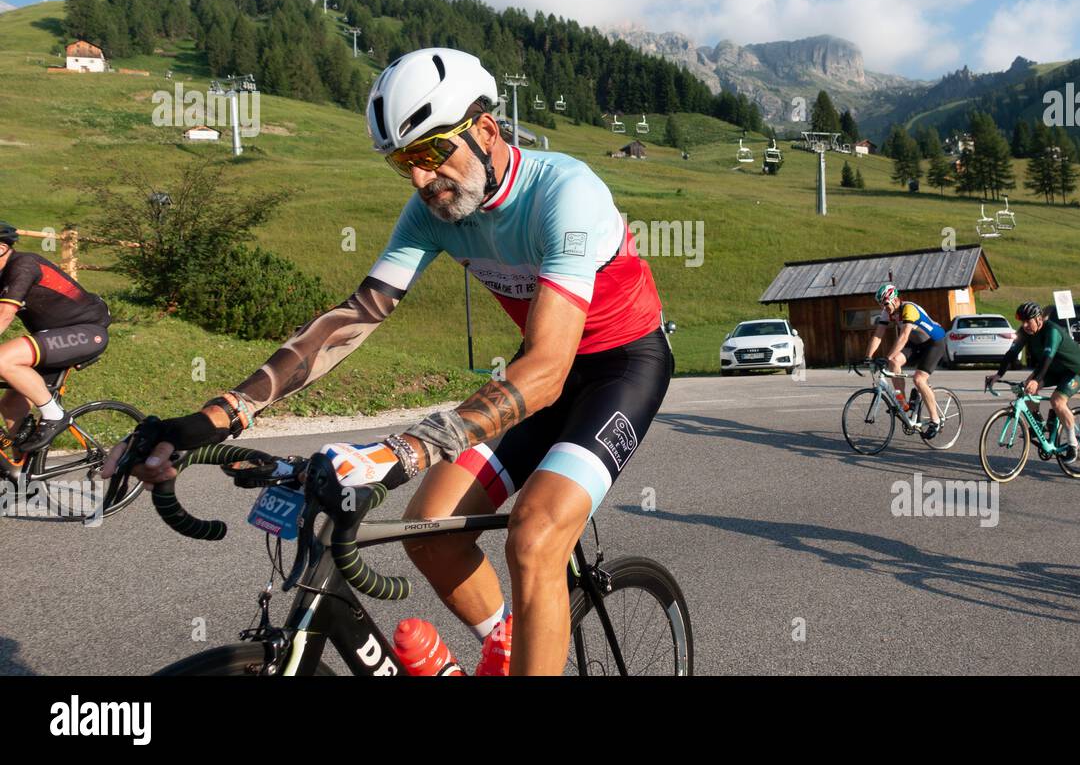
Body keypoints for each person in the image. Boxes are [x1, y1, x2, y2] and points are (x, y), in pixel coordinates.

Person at [104, 47, 672, 675]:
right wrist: (220, 414)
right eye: (404, 163)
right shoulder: (435, 213)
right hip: (535, 375)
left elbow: (548, 370)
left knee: (535, 538)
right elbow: (354, 319)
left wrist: (412, 447)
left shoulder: (564, 193)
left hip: (620, 367)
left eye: (430, 154)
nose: (421, 181)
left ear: (485, 130)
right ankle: (507, 640)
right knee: (430, 527)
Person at [0, 222, 112, 467]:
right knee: (10, 405)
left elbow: (5, 314)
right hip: (52, 338)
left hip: (86, 331)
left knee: (2, 359)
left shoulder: (23, 265)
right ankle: (22, 473)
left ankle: (55, 415)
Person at [986, 301, 1080, 459]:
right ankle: (1038, 423)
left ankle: (1072, 445)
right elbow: (1011, 353)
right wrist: (998, 374)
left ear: (1039, 319)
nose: (1025, 325)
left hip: (1074, 370)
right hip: (1053, 368)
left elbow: (1048, 357)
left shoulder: (1052, 332)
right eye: (1023, 321)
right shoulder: (1025, 332)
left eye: (1028, 321)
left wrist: (1037, 380)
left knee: (1057, 402)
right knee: (1027, 388)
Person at [862, 283, 945, 439]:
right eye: (881, 304)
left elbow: (904, 336)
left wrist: (885, 358)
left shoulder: (909, 309)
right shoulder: (888, 312)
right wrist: (868, 357)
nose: (884, 307)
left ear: (895, 300)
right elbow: (878, 335)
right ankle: (903, 404)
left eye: (885, 303)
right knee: (894, 362)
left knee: (919, 379)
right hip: (916, 344)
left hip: (935, 342)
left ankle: (935, 420)